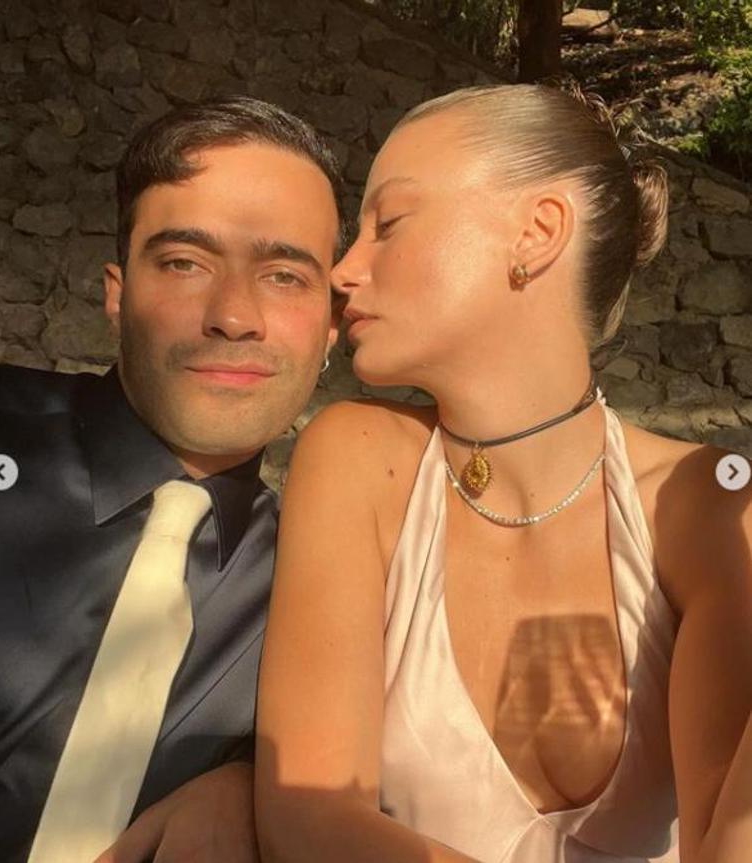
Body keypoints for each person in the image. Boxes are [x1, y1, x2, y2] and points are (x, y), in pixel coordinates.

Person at [254, 84, 752, 863]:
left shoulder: (704, 506)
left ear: (538, 232)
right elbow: (309, 820)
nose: (343, 271)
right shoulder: (357, 460)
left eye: (389, 223)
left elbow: (729, 842)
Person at [0, 96, 343, 863]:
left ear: (330, 332)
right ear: (117, 293)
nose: (234, 315)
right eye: (185, 262)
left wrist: (258, 787)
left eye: (285, 275)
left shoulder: (331, 584)